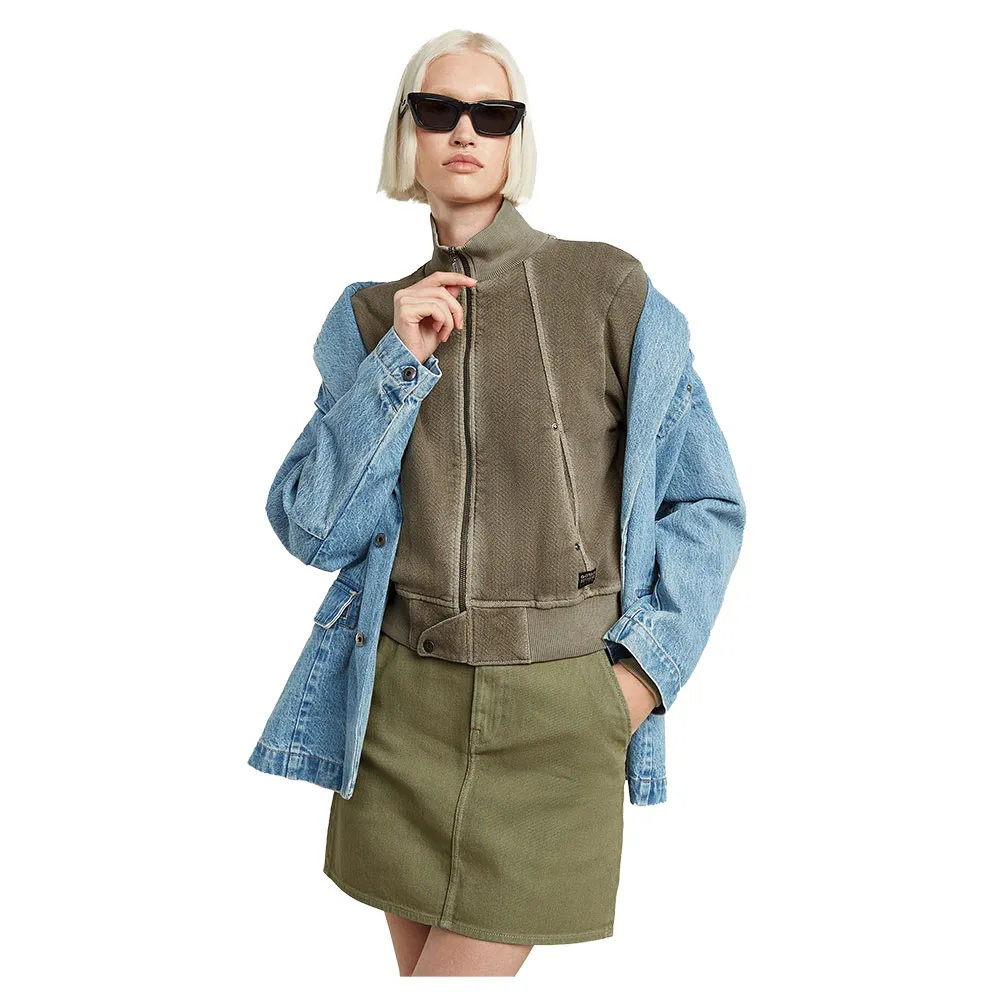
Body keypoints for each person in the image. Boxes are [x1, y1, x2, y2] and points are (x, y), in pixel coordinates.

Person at [257, 28, 745, 977]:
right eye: (438, 111)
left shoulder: (607, 288)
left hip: (556, 713)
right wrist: (398, 366)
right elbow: (314, 528)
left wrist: (638, 682)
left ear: (518, 138)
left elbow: (707, 500)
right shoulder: (370, 318)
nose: (464, 133)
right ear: (407, 134)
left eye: (493, 114)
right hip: (400, 711)